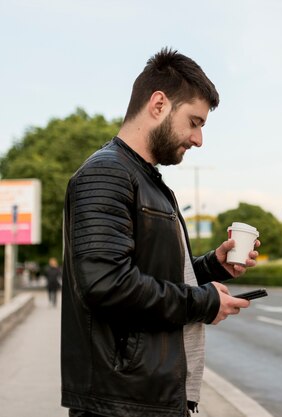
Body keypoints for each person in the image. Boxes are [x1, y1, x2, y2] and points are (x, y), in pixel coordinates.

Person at [61, 47, 259, 417]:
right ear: (158, 104)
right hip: (123, 402)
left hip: (146, 396)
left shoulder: (146, 180)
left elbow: (152, 274)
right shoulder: (107, 174)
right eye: (194, 121)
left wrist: (212, 267)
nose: (198, 139)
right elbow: (106, 285)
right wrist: (205, 302)